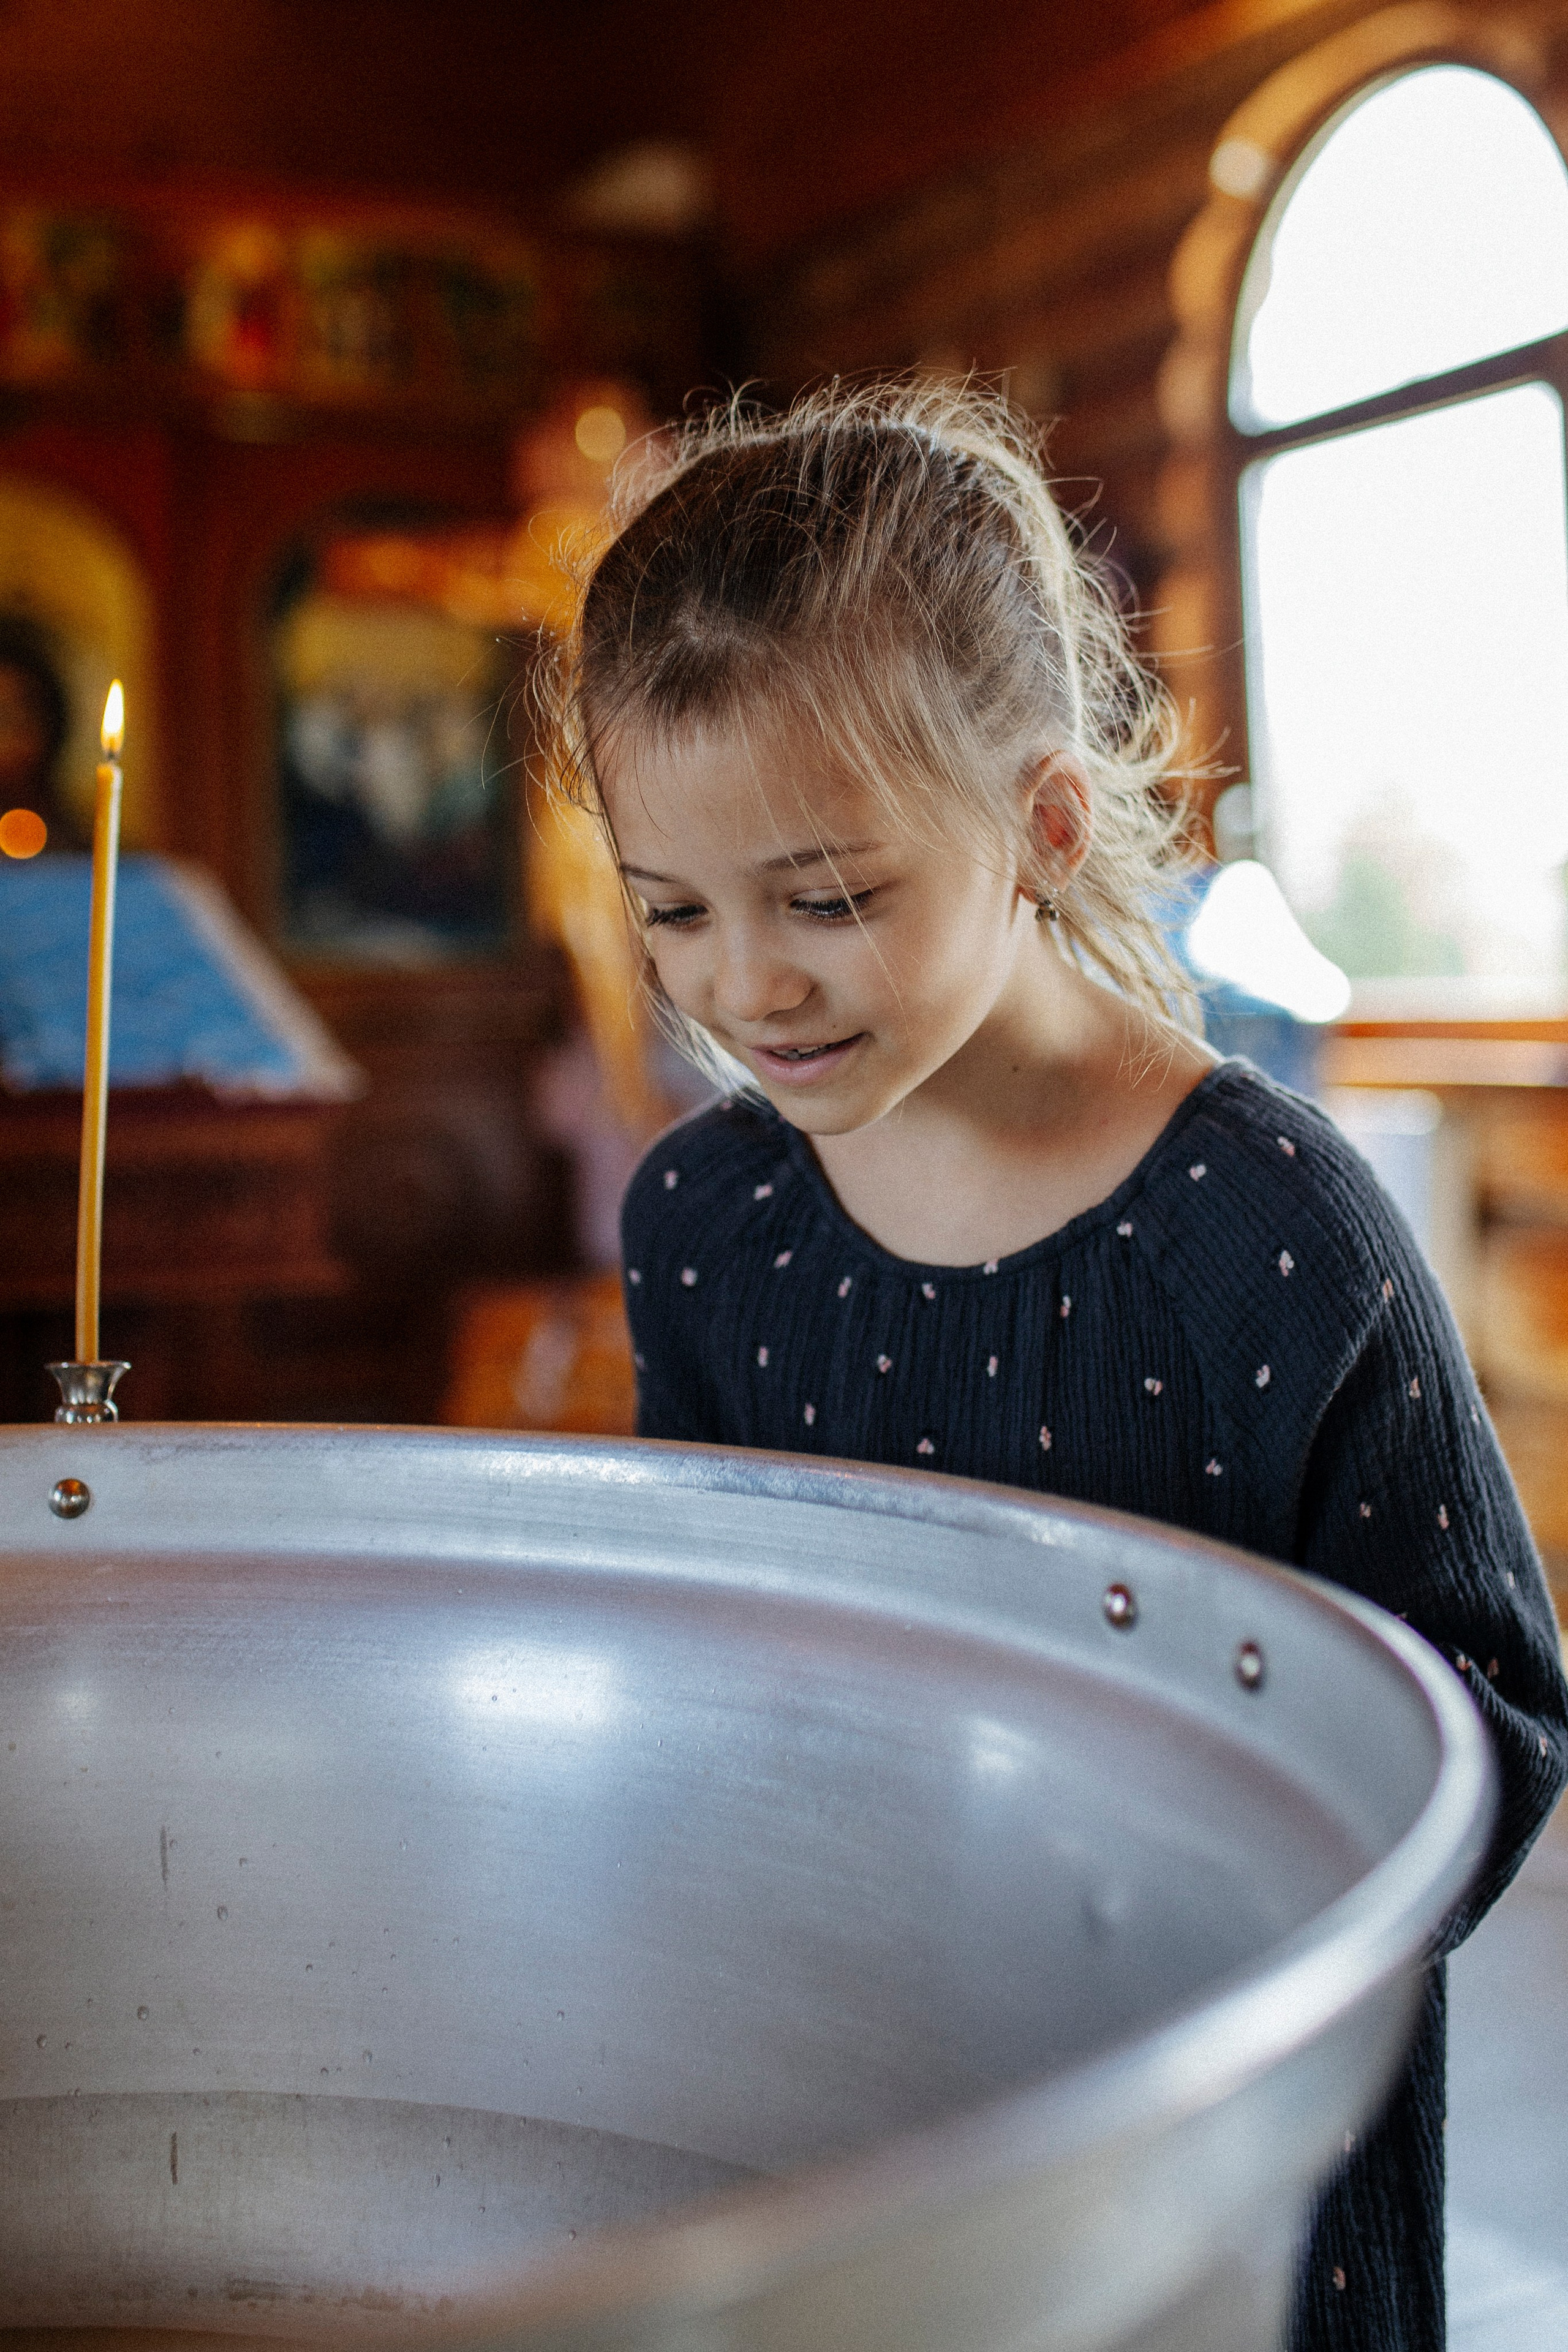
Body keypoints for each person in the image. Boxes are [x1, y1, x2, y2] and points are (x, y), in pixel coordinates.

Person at [538, 379, 1568, 2352]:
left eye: (828, 900)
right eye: (673, 910)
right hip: (854, 2118)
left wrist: (1191, 1956)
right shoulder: (711, 1228)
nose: (746, 986)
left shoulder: (1265, 1231)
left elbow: (1491, 1725)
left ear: (1043, 825)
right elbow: (716, 1670)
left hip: (1227, 2179)